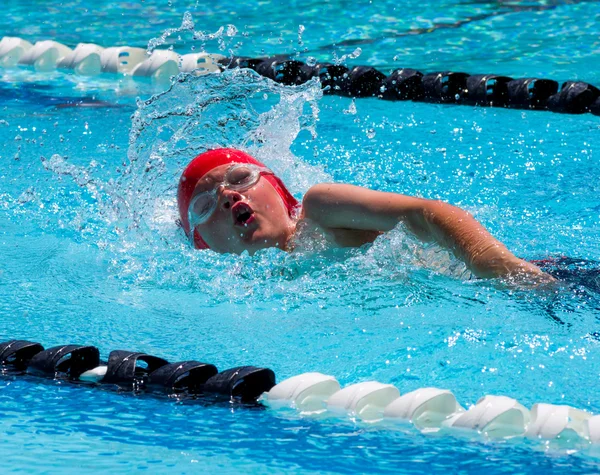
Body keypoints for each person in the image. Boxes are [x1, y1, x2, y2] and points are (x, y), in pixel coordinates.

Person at [177, 148, 552, 281]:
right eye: (205, 204)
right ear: (203, 243)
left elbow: (427, 213)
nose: (227, 195)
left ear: (277, 188)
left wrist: (499, 266)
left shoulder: (321, 211)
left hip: (542, 279)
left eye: (240, 179)